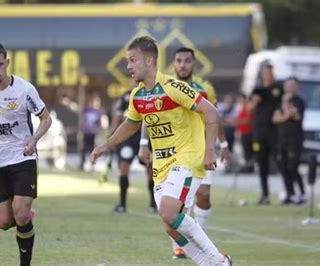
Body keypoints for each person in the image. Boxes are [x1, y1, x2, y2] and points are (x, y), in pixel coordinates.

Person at [90, 36, 231, 265]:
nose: (128, 66)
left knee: (168, 212)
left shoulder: (172, 87)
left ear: (149, 61)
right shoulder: (138, 95)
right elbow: (131, 124)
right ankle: (210, 263)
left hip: (187, 157)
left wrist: (211, 151)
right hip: (161, 165)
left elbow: (211, 112)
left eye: (132, 60)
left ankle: (218, 261)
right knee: (170, 226)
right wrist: (106, 145)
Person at [139, 47, 230, 259]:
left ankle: (207, 248)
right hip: (173, 155)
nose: (182, 65)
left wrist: (222, 145)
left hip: (199, 150)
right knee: (174, 208)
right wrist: (144, 143)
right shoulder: (164, 87)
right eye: (179, 61)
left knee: (203, 195)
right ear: (174, 63)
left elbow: (214, 115)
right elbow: (149, 115)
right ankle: (185, 248)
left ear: (194, 64)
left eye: (187, 61)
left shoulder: (204, 88)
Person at [0, 42, 52, 266]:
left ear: (8, 63)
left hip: (22, 157)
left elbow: (46, 118)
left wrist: (34, 140)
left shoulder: (24, 90)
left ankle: (25, 262)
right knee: (4, 222)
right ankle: (23, 214)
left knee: (21, 216)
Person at [111, 79, 156, 213]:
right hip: (128, 138)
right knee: (124, 167)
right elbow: (118, 118)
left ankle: (153, 204)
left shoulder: (149, 95)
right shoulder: (126, 97)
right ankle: (122, 203)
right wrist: (114, 137)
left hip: (145, 137)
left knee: (150, 169)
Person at [248, 64, 283, 205]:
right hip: (260, 132)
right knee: (262, 164)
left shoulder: (278, 89)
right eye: (266, 73)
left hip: (276, 132)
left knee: (282, 162)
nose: (269, 75)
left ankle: (289, 193)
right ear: (262, 75)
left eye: (271, 72)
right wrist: (255, 102)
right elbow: (249, 109)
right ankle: (265, 195)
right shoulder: (257, 90)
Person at [272, 77, 306, 204]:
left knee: (293, 167)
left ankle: (302, 194)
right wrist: (286, 114)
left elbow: (294, 116)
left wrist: (286, 105)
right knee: (283, 167)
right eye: (287, 85)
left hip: (295, 139)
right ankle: (290, 194)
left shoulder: (298, 101)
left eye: (292, 85)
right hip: (282, 139)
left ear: (297, 87)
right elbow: (276, 119)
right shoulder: (280, 101)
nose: (289, 88)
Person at [79, 93, 105, 170]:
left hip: (95, 133)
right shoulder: (86, 110)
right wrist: (81, 129)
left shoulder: (99, 111)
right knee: (84, 148)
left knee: (93, 149)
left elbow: (102, 122)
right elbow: (82, 120)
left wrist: (99, 130)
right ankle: (82, 164)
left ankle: (92, 164)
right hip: (86, 132)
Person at [235, 93, 255, 173]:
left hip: (248, 131)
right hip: (243, 131)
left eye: (240, 98)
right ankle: (248, 165)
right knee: (245, 150)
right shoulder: (241, 107)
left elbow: (249, 120)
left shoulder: (247, 107)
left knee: (248, 150)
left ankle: (250, 166)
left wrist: (237, 122)